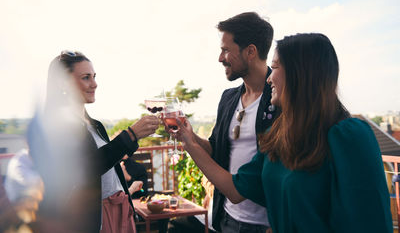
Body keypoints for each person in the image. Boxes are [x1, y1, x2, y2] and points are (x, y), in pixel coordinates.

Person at [176, 33, 392, 232]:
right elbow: (234, 189)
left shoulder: (350, 137)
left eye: (276, 67)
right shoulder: (277, 134)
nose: (269, 78)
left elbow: (370, 221)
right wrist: (189, 142)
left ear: (301, 74)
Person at [27, 50, 159, 233]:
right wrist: (131, 135)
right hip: (96, 219)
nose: (94, 84)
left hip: (121, 211)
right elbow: (84, 168)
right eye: (86, 77)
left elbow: (109, 161)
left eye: (94, 76)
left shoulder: (95, 125)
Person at [169, 12, 276, 233]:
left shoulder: (282, 98)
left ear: (250, 51)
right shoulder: (228, 98)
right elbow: (216, 150)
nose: (220, 58)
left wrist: (190, 144)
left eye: (226, 50)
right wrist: (189, 135)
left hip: (267, 225)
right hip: (226, 218)